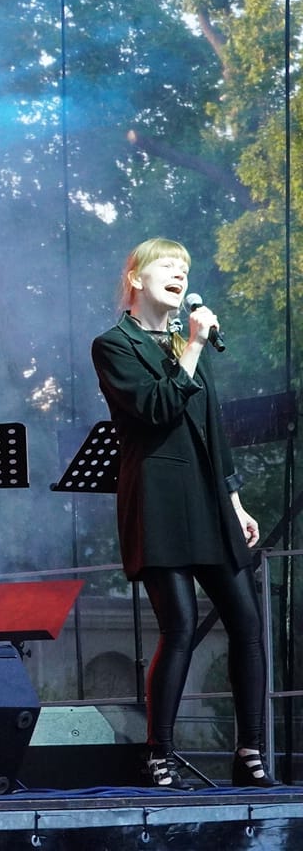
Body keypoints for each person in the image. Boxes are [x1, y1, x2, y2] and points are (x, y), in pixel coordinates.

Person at [91, 238, 276, 789]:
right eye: (168, 265)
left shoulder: (185, 342)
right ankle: (160, 753)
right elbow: (156, 409)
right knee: (180, 625)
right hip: (159, 498)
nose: (179, 274)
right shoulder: (114, 345)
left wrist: (235, 500)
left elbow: (212, 429)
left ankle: (249, 752)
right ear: (136, 278)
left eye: (184, 268)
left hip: (209, 498)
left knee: (247, 623)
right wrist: (192, 346)